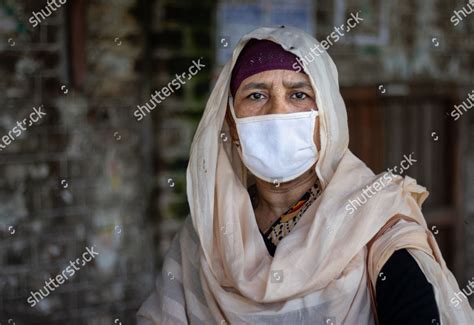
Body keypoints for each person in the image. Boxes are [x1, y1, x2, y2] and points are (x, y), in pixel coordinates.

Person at [137, 26, 474, 324]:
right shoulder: (207, 234)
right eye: (256, 95)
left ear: (326, 118)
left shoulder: (376, 224)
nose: (277, 111)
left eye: (299, 94)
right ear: (231, 125)